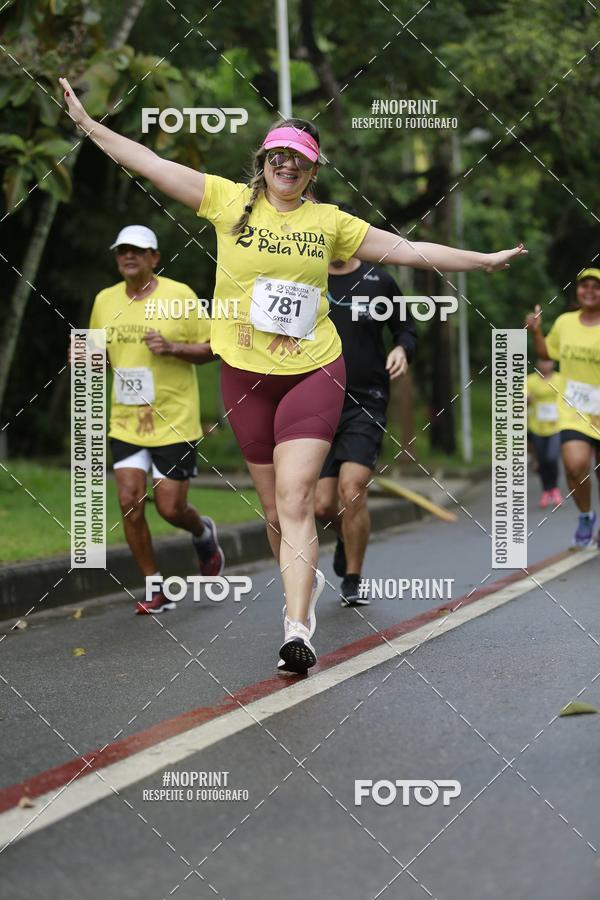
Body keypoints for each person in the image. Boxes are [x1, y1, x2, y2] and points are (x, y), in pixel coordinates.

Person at [60, 75, 526, 673]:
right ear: (264, 163)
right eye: (278, 156)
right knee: (276, 513)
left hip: (313, 370)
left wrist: (482, 261)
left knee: (299, 496)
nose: (287, 166)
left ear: (312, 171)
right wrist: (87, 125)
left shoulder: (331, 222)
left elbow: (409, 249)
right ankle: (295, 600)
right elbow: (149, 161)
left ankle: (297, 628)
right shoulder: (228, 202)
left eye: (299, 160)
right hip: (244, 376)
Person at [85, 224, 223, 614]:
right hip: (126, 420)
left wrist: (173, 347)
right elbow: (97, 357)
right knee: (129, 500)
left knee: (169, 508)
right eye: (122, 251)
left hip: (174, 419)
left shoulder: (179, 296)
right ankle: (154, 586)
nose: (129, 257)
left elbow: (214, 347)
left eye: (138, 251)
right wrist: (84, 359)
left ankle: (202, 532)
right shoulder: (104, 300)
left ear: (155, 258)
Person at [315, 204, 417, 605]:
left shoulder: (379, 279)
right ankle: (346, 538)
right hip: (317, 399)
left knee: (352, 489)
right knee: (323, 505)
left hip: (366, 401)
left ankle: (353, 579)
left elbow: (406, 327)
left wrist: (402, 350)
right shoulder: (309, 277)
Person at [526, 268, 600, 547]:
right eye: (584, 286)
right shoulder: (566, 322)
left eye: (596, 286)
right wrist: (536, 331)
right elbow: (548, 353)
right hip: (575, 410)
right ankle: (585, 516)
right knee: (575, 464)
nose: (590, 291)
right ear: (578, 291)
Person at [526, 359, 564, 508]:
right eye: (542, 361)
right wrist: (526, 400)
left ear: (553, 364)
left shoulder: (560, 379)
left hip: (556, 425)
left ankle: (554, 489)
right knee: (541, 460)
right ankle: (546, 490)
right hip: (536, 426)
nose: (545, 365)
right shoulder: (530, 380)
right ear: (537, 363)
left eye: (548, 362)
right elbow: (522, 397)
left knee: (552, 457)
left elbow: (567, 398)